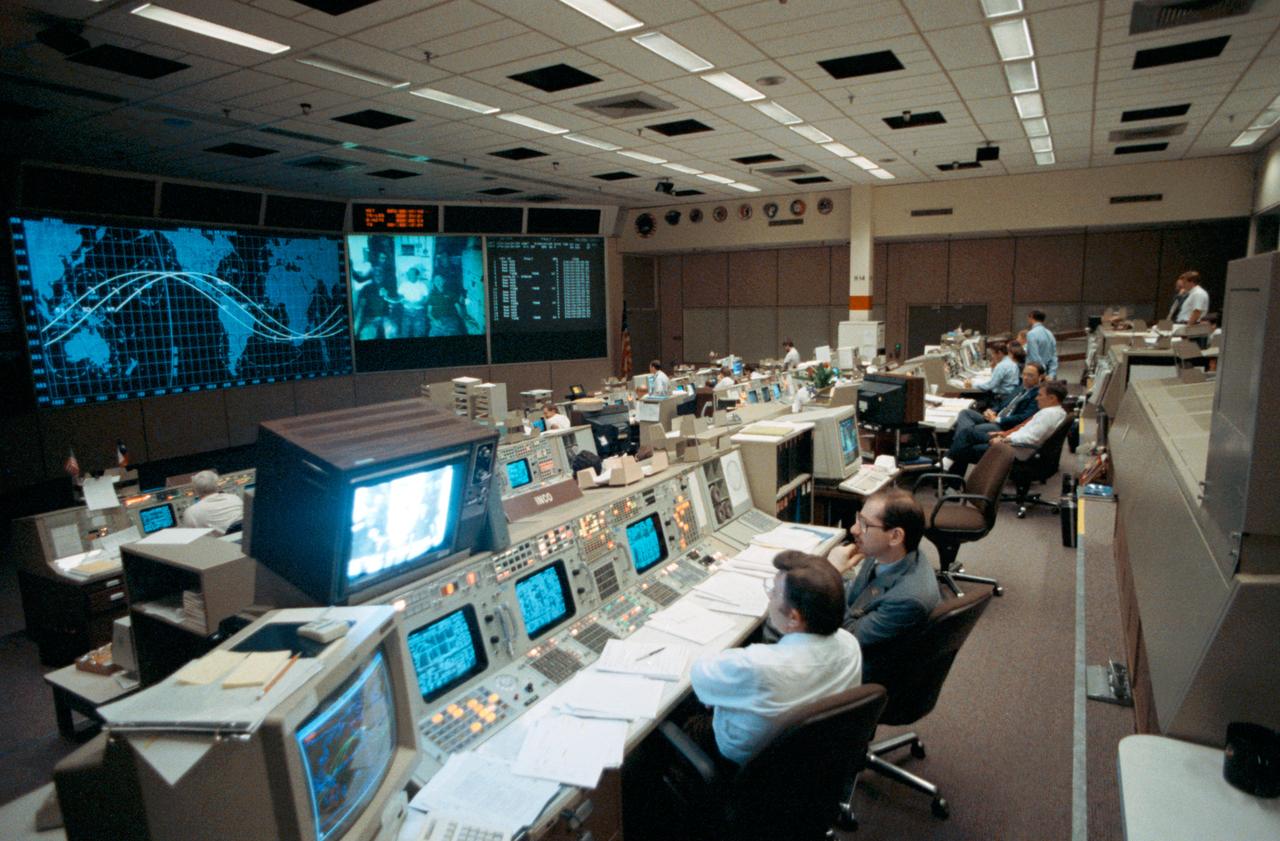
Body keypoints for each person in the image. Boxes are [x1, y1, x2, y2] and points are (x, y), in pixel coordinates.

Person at [688, 550, 861, 765]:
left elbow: (698, 674)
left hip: (750, 761)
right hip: (815, 753)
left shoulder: (756, 665)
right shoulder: (850, 644)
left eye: (774, 592)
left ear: (794, 617)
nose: (769, 596)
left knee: (683, 715)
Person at [827, 488, 941, 648]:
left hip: (863, 662)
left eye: (864, 524)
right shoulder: (886, 552)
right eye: (858, 519)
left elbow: (849, 636)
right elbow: (855, 598)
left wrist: (831, 575)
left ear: (895, 536)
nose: (854, 529)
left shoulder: (907, 600)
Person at [944, 362, 1045, 475]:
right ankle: (961, 440)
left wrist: (997, 420)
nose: (1025, 378)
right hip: (996, 417)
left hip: (1003, 425)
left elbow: (1023, 418)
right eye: (1024, 374)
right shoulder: (1021, 387)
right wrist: (992, 410)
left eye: (1030, 375)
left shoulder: (1039, 395)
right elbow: (1004, 403)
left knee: (966, 436)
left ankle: (955, 449)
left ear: (1040, 377)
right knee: (966, 413)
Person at [964, 342, 1019, 410]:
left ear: (999, 353)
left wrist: (972, 385)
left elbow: (990, 385)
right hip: (1009, 394)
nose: (992, 356)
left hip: (1000, 397)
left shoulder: (1001, 366)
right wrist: (993, 367)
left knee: (966, 394)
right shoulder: (1011, 362)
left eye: (993, 353)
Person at [1025, 310, 1058, 378]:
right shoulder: (1050, 333)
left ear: (1031, 317)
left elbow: (1034, 356)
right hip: (1049, 373)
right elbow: (1054, 356)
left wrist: (1042, 371)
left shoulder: (1031, 334)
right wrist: (1051, 374)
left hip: (1036, 373)